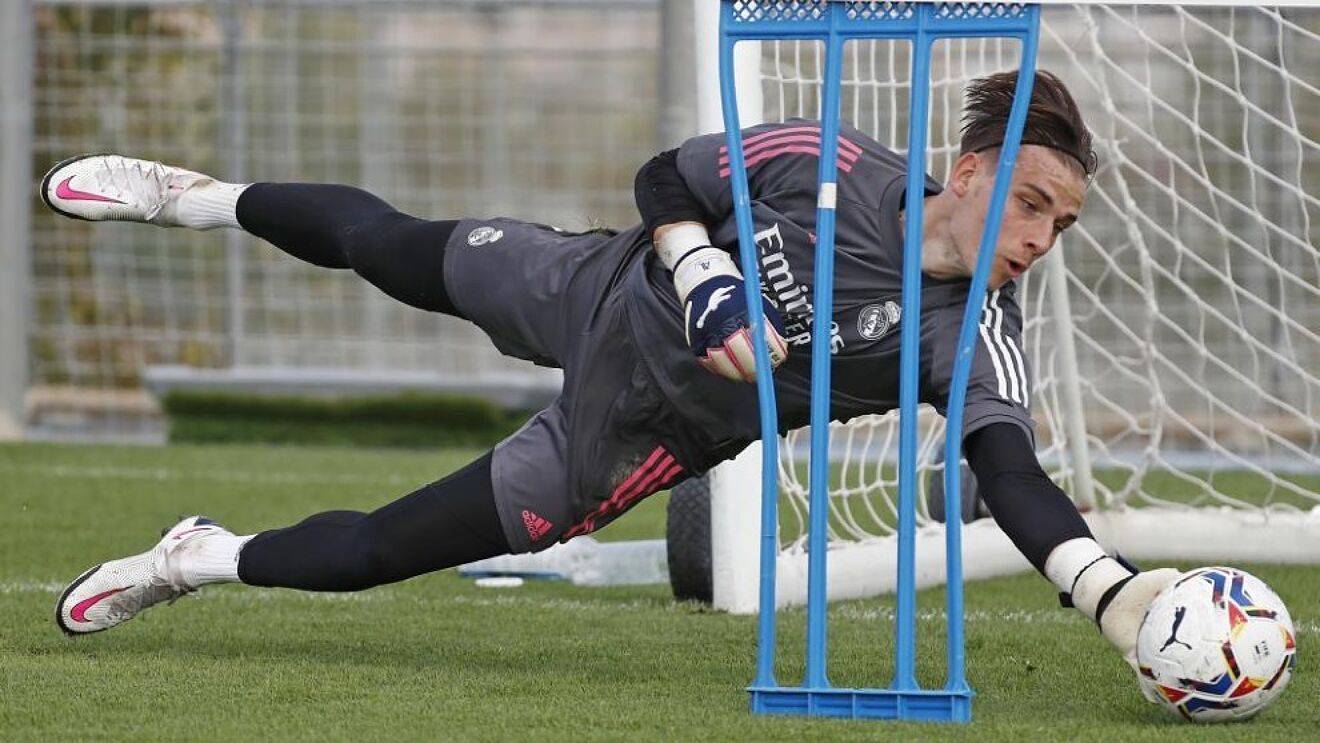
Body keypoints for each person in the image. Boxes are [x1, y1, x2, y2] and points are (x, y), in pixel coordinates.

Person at [44, 69, 1175, 678]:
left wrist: (1109, 589)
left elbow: (1010, 468)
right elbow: (666, 176)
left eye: (1063, 224)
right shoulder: (829, 162)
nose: (1040, 236)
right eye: (1031, 203)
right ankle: (189, 196)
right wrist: (700, 274)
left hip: (643, 438)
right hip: (605, 284)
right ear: (971, 170)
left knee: (379, 552)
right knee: (389, 246)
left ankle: (194, 558)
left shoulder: (972, 330)